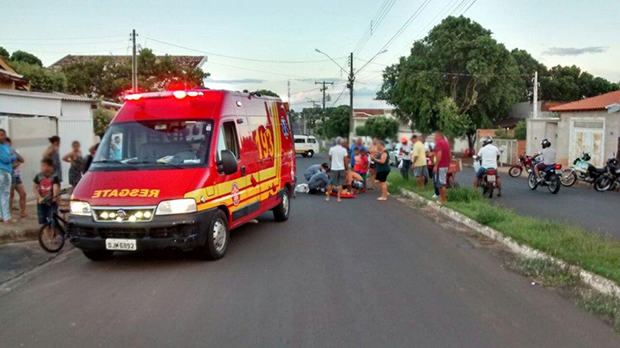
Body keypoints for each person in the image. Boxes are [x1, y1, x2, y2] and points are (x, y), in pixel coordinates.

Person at [34, 158, 60, 227]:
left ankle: (53, 233)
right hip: (41, 201)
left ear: (50, 167)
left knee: (52, 218)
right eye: (42, 165)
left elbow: (56, 186)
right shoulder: (38, 176)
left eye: (44, 165)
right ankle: (46, 233)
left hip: (51, 201)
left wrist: (55, 196)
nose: (42, 167)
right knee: (42, 218)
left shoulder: (54, 176)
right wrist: (39, 197)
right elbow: (35, 187)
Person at [0, 129, 17, 223]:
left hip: (7, 171)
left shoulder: (6, 146)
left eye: (3, 135)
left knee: (2, 194)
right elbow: (5, 159)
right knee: (5, 194)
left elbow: (15, 156)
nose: (2, 137)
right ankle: (7, 218)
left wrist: (11, 156)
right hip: (2, 171)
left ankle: (1, 216)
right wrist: (11, 156)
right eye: (0, 135)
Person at [7, 138, 26, 218]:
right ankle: (8, 214)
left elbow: (22, 160)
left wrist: (15, 153)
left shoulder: (14, 151)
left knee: (23, 194)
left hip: (17, 175)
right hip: (9, 175)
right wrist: (13, 164)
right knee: (11, 195)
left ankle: (23, 212)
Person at [326, 137, 349, 202]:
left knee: (331, 182)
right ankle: (339, 197)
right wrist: (346, 168)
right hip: (341, 168)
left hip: (334, 168)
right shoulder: (344, 149)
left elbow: (330, 158)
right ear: (341, 142)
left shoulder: (332, 149)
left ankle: (328, 197)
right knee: (340, 183)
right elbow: (345, 160)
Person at [433, 130, 451, 204]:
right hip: (445, 165)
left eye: (435, 136)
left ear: (438, 136)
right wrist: (449, 163)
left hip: (441, 165)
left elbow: (439, 154)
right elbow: (450, 153)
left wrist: (436, 165)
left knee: (441, 183)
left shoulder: (439, 143)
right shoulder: (446, 143)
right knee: (440, 183)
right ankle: (442, 199)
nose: (434, 137)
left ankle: (444, 200)